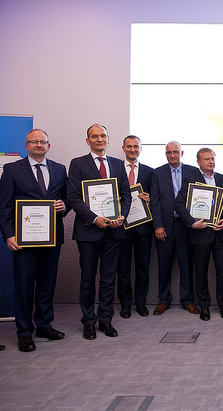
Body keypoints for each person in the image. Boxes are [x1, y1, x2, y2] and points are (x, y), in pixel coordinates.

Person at [0, 129, 68, 352]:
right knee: (24, 286)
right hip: (23, 241)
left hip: (51, 238)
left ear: (48, 146)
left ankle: (44, 325)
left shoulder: (59, 169)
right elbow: (4, 206)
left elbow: (67, 197)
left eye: (43, 142)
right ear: (26, 145)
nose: (39, 145)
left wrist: (64, 205)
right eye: (34, 141)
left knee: (47, 284)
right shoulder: (12, 170)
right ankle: (24, 332)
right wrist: (8, 235)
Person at [67, 124, 131, 340]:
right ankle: (88, 321)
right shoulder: (77, 164)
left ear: (108, 139)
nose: (99, 139)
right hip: (88, 232)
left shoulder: (117, 164)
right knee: (87, 279)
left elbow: (126, 195)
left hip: (114, 231)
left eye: (103, 135)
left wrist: (121, 216)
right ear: (88, 141)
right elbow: (73, 197)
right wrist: (95, 219)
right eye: (94, 136)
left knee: (108, 279)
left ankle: (105, 320)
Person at [175, 148, 223, 321]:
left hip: (220, 233)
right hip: (200, 234)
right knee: (201, 272)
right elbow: (178, 204)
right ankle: (204, 306)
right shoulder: (190, 179)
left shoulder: (222, 178)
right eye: (206, 159)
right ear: (198, 162)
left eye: (212, 158)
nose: (210, 162)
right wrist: (192, 223)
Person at [149, 141, 200, 316]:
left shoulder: (193, 171)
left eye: (176, 152)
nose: (172, 155)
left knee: (186, 264)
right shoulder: (157, 173)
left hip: (186, 226)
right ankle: (163, 300)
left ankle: (187, 300)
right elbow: (154, 201)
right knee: (164, 265)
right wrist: (158, 225)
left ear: (182, 153)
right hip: (165, 226)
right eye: (169, 152)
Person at [116, 135, 154, 318]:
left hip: (143, 227)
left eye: (136, 146)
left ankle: (140, 302)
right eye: (129, 146)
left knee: (142, 267)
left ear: (140, 148)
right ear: (123, 148)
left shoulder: (149, 171)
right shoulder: (115, 168)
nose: (132, 150)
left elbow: (156, 195)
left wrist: (149, 198)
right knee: (122, 268)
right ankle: (125, 304)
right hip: (121, 226)